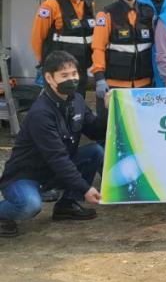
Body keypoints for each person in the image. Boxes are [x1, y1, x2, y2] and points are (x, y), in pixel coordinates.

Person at [0, 51, 109, 238]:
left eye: (74, 74)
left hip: (53, 173)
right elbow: (57, 158)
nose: (72, 79)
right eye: (64, 75)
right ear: (49, 78)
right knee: (30, 206)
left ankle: (66, 205)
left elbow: (96, 132)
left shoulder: (77, 101)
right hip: (26, 176)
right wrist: (85, 188)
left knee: (95, 152)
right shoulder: (41, 113)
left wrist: (108, 110)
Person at [91, 0, 155, 115]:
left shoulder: (148, 13)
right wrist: (99, 78)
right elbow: (98, 48)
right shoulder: (106, 14)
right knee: (111, 126)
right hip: (114, 86)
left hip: (144, 86)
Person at [30, 0, 94, 96]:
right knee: (57, 105)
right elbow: (37, 38)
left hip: (80, 70)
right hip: (58, 72)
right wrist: (46, 65)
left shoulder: (89, 4)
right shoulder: (52, 3)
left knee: (78, 104)